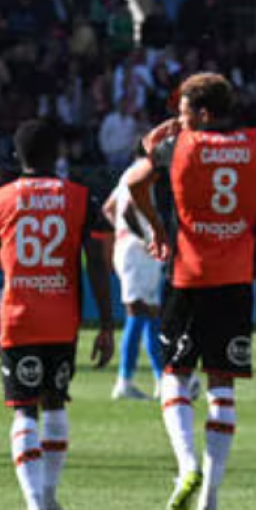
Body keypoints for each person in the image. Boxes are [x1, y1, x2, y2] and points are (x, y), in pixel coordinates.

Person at [126, 73, 256, 510]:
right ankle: (210, 501)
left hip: (188, 276)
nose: (178, 120)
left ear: (203, 114)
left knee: (175, 374)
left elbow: (134, 183)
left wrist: (159, 227)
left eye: (184, 112)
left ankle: (186, 465)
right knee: (222, 386)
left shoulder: (179, 147)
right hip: (236, 278)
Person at [0, 120, 116, 510]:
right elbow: (96, 265)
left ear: (17, 157)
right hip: (62, 319)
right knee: (54, 403)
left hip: (18, 318)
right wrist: (106, 325)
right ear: (57, 156)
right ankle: (50, 498)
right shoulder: (79, 198)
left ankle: (35, 506)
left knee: (23, 410)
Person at [103, 147, 167, 401]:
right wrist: (144, 238)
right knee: (138, 312)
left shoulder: (127, 174)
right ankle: (124, 381)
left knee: (151, 314)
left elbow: (109, 209)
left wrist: (122, 233)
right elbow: (128, 210)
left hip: (132, 250)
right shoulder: (142, 171)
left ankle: (161, 380)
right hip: (137, 252)